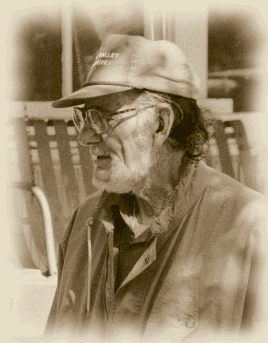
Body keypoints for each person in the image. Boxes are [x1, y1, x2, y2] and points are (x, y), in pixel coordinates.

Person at [44, 34, 267, 342]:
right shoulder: (84, 222)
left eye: (104, 118)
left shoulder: (251, 229)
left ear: (161, 124)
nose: (86, 138)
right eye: (83, 118)